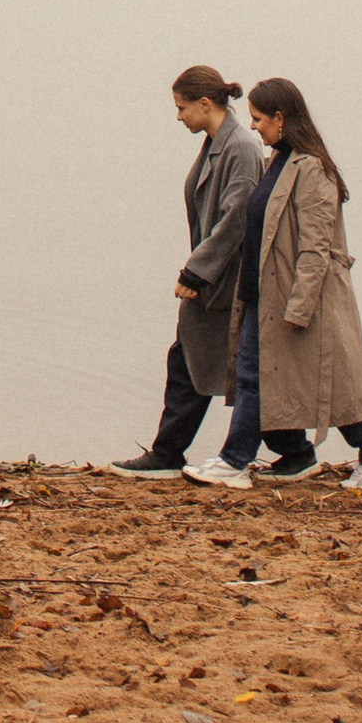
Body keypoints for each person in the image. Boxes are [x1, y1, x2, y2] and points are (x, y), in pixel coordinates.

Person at [191, 75, 362, 494]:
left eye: (258, 119)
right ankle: (258, 459)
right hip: (262, 295)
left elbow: (316, 247)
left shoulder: (313, 170)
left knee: (332, 385)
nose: (253, 127)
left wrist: (300, 308)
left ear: (281, 118)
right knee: (257, 378)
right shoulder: (278, 162)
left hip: (297, 300)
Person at [109, 66, 264, 478]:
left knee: (226, 366)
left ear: (205, 104)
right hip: (214, 281)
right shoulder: (218, 143)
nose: (178, 117)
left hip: (224, 284)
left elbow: (237, 218)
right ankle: (169, 451)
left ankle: (169, 454)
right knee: (195, 362)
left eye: (181, 108)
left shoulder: (241, 148)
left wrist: (196, 272)